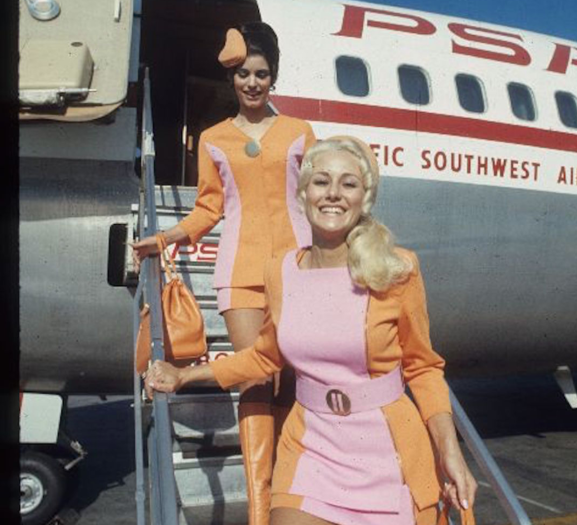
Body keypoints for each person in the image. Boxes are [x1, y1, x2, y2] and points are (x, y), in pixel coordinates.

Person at [145, 136, 478, 525]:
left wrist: (448, 451)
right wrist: (185, 375)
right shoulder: (281, 270)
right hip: (311, 450)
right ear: (303, 194)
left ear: (364, 198)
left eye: (348, 184)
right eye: (322, 182)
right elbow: (264, 357)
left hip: (388, 451)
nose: (333, 194)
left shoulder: (396, 268)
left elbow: (422, 368)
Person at [132, 22, 316, 525]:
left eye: (261, 74)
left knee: (295, 383)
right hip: (239, 271)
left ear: (273, 78)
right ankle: (261, 511)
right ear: (232, 79)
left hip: (299, 270)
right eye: (244, 75)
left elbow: (319, 201)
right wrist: (165, 238)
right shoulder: (213, 139)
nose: (252, 84)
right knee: (256, 376)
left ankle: (289, 497)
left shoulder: (300, 133)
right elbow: (208, 209)